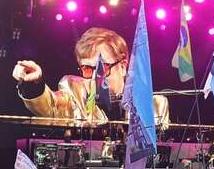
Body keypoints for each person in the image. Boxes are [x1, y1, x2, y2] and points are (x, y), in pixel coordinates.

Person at [13, 27, 169, 127]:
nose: (95, 77)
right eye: (87, 69)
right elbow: (51, 106)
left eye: (103, 68)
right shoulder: (74, 91)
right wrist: (34, 84)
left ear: (122, 66)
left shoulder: (154, 104)